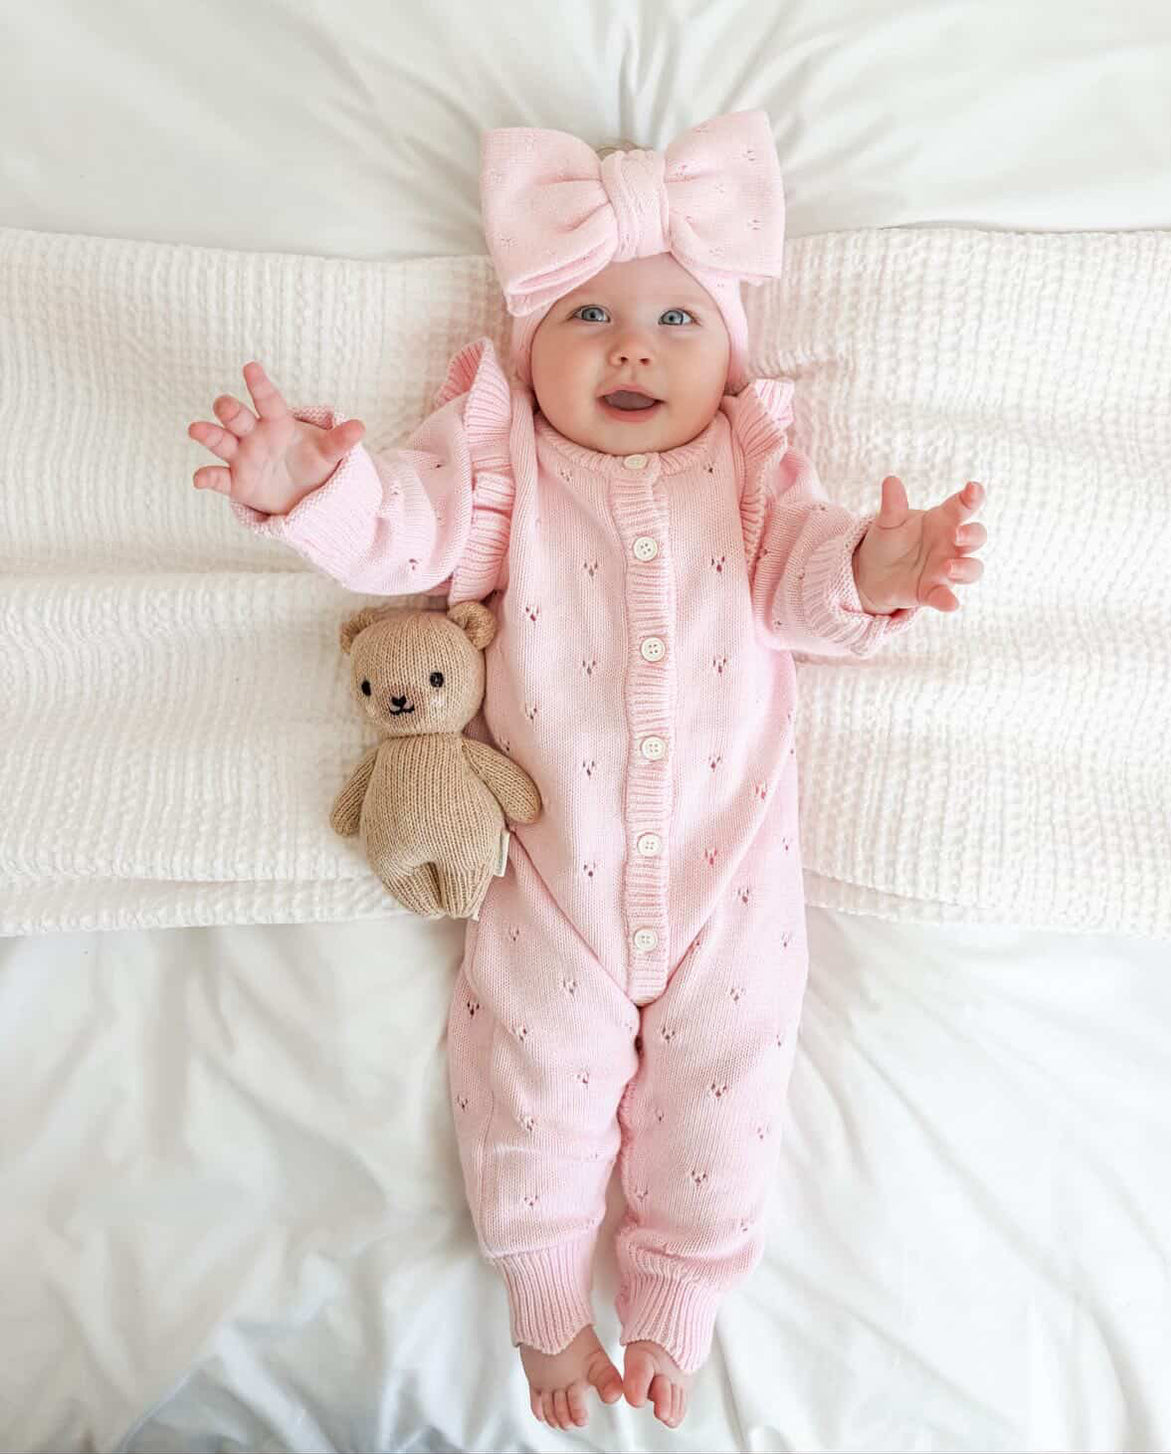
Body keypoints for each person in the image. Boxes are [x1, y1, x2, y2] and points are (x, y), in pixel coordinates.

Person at [186, 108, 987, 1431]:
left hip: (735, 883)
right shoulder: (503, 459)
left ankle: (677, 1303)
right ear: (527, 351)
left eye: (678, 321)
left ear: (725, 356)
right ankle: (547, 1305)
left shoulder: (750, 470)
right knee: (523, 1073)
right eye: (589, 317)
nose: (632, 342)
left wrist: (874, 570)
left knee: (729, 1087)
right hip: (551, 874)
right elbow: (402, 536)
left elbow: (804, 588)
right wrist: (313, 489)